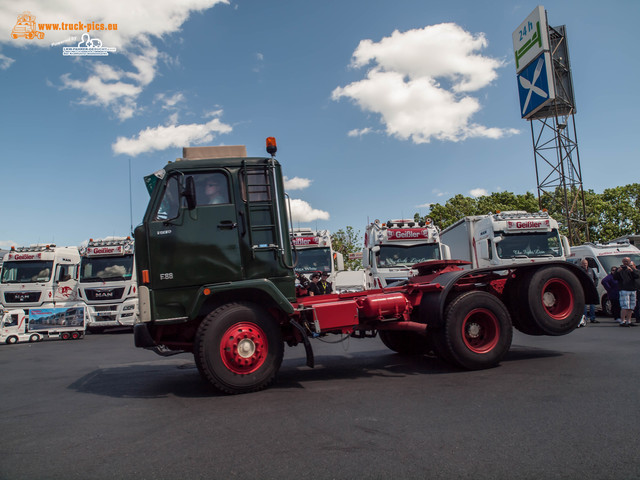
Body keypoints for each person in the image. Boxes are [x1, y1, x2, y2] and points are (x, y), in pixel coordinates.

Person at [613, 257, 639, 327]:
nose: (625, 263)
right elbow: (615, 278)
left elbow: (637, 276)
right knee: (625, 306)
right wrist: (618, 271)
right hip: (624, 289)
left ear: (630, 262)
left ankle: (629, 321)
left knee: (631, 306)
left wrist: (632, 270)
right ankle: (622, 321)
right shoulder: (619, 269)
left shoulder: (632, 269)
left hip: (632, 289)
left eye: (627, 261)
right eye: (624, 261)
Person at [580, 259, 599, 325]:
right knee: (584, 304)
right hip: (583, 289)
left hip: (591, 289)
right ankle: (585, 318)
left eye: (586, 263)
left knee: (592, 304)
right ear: (581, 264)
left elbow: (596, 278)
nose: (585, 264)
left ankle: (592, 318)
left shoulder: (591, 270)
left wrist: (594, 285)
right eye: (583, 263)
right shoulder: (580, 270)